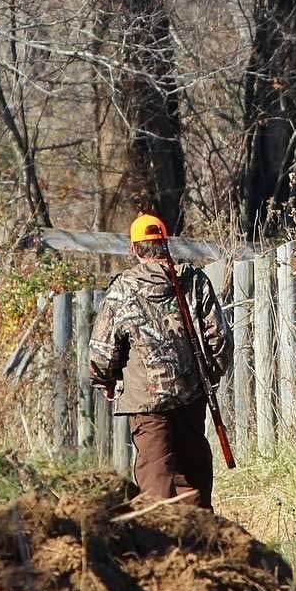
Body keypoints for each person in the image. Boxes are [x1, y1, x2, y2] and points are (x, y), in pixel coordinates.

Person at [89, 213, 232, 509]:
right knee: (193, 477)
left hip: (147, 405)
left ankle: (163, 545)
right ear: (164, 243)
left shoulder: (123, 290)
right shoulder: (194, 281)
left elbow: (102, 350)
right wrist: (209, 376)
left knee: (156, 479)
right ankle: (202, 541)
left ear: (134, 248)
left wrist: (105, 379)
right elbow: (220, 339)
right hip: (192, 396)